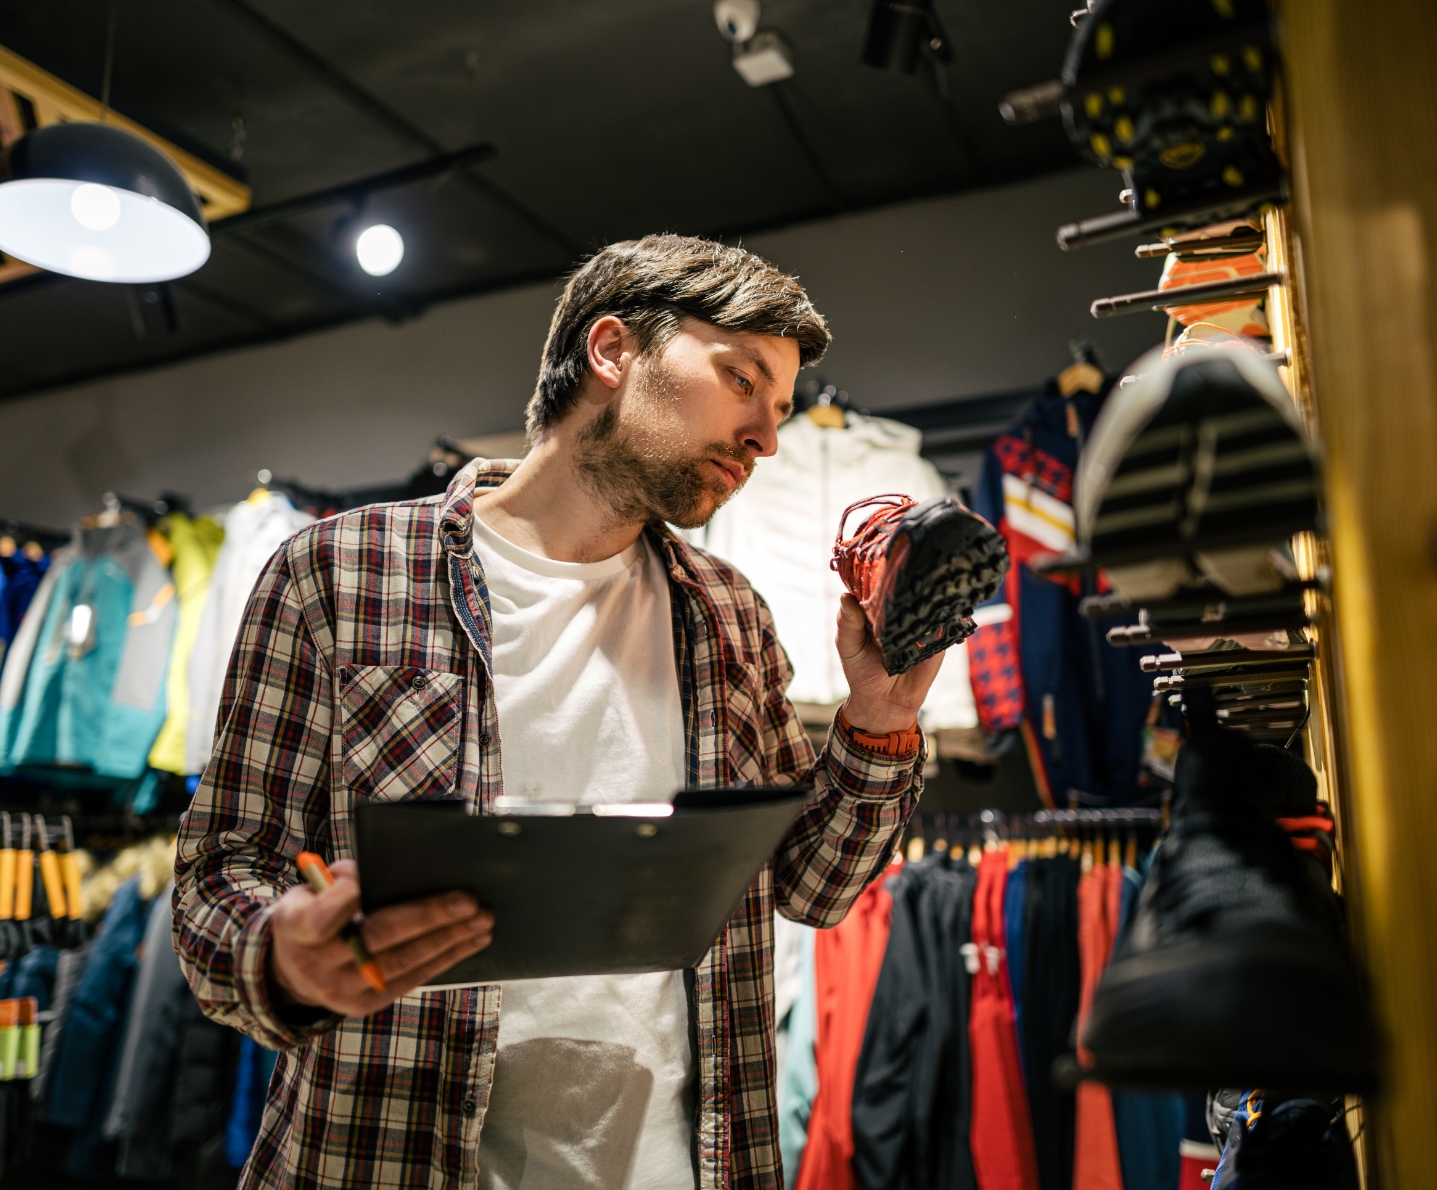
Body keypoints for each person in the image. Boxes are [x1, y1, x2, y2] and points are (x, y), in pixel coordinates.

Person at [174, 234, 941, 1190]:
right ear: (612, 351)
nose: (767, 438)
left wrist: (879, 715)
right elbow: (218, 876)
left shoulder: (729, 614)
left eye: (779, 410)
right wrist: (281, 957)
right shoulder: (341, 572)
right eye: (741, 380)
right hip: (386, 1155)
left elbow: (809, 887)